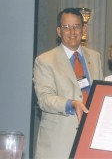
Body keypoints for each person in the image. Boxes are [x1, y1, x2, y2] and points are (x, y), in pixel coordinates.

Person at [33, 8, 103, 159]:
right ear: (59, 31)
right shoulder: (44, 61)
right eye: (66, 27)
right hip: (58, 145)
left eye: (76, 26)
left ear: (83, 29)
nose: (72, 31)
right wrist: (71, 104)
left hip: (91, 140)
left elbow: (100, 94)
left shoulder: (95, 56)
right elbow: (45, 99)